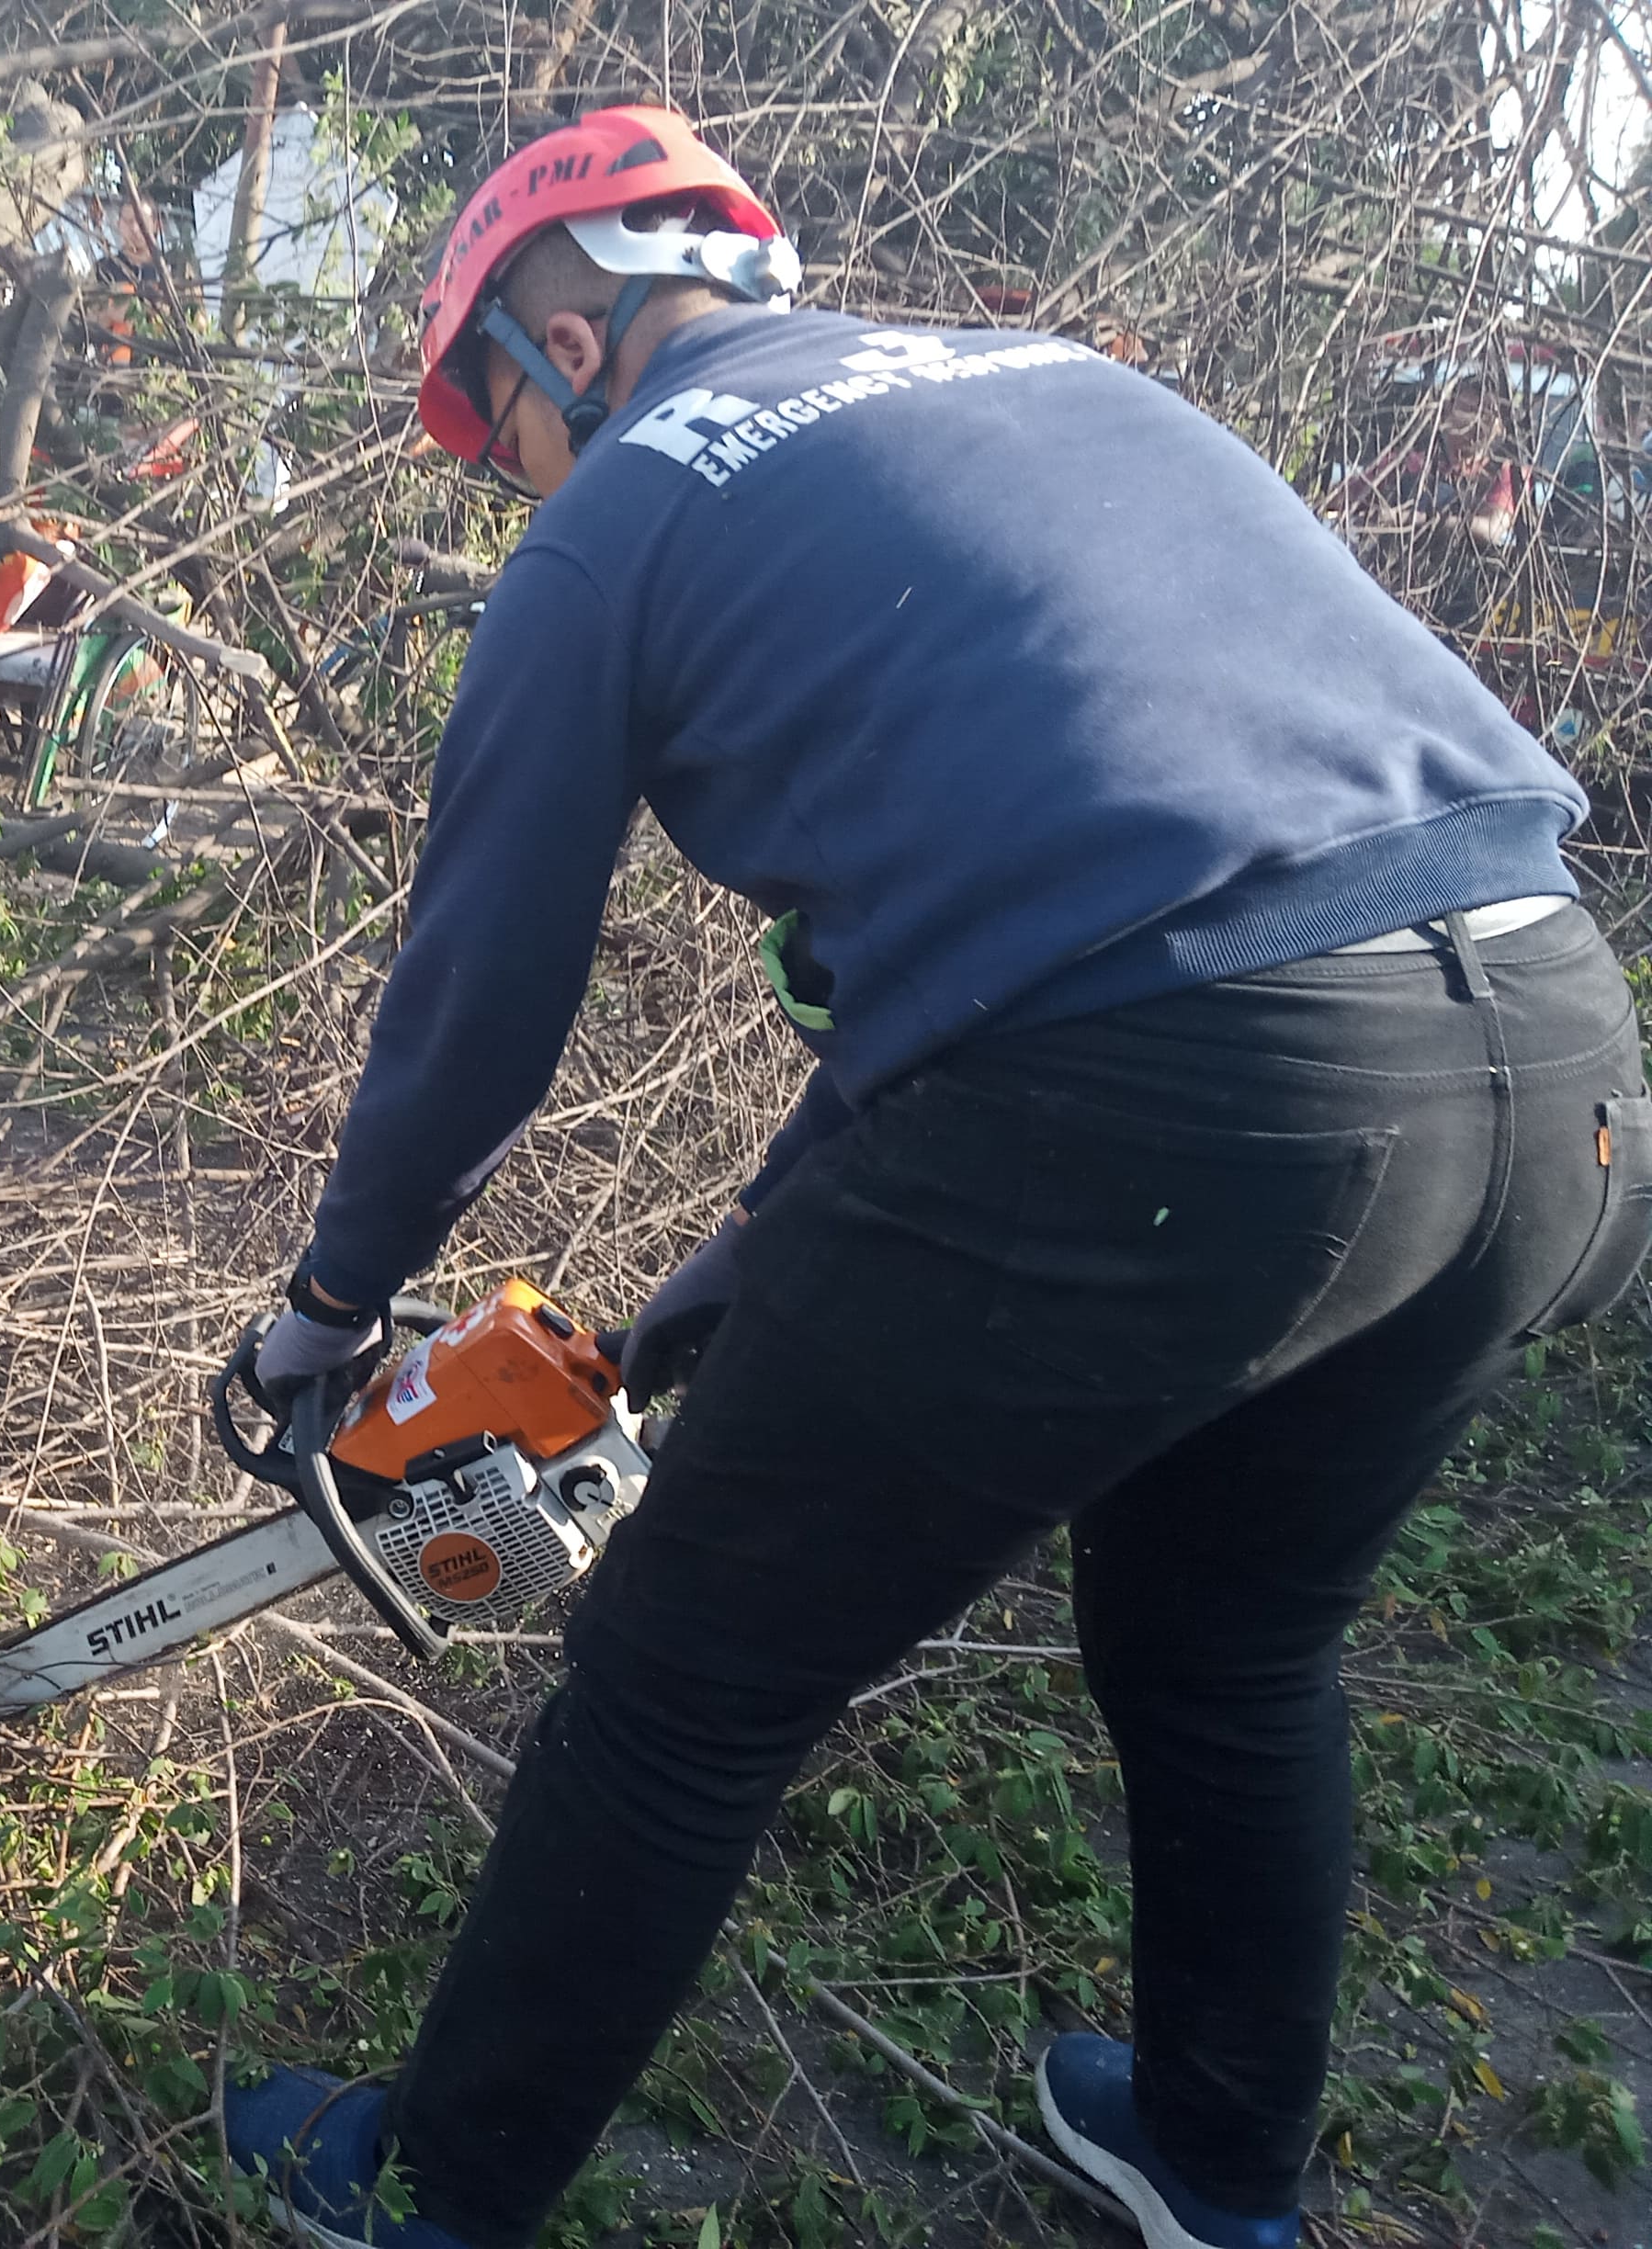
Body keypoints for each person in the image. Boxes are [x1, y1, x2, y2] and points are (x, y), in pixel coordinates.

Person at [221, 103, 1648, 2249]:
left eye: (489, 420)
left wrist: (327, 1307)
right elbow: (1036, 940)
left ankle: (423, 2195)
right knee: (1236, 1649)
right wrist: (716, 1287)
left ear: (564, 319)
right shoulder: (1059, 381)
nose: (504, 474)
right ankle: (1212, 2164)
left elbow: (477, 998)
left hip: (1183, 1089)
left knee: (688, 1683)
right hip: (1549, 1047)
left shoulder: (617, 518)